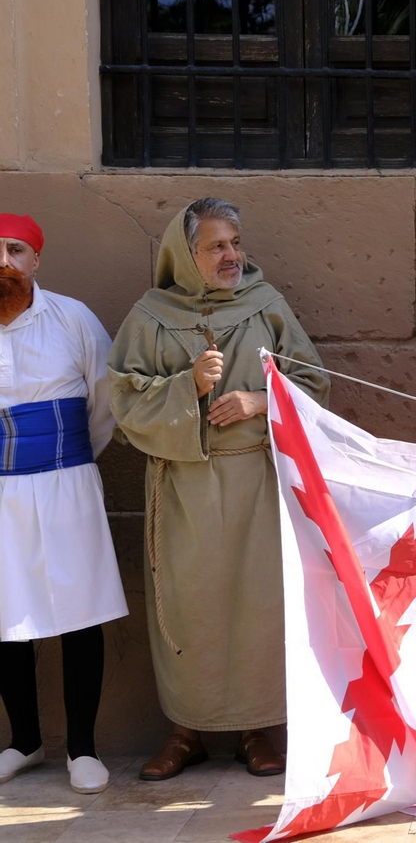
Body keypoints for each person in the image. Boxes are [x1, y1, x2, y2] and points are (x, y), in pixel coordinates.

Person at [108, 198, 328, 781]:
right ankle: (187, 731)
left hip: (256, 480)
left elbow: (314, 382)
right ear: (187, 254)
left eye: (234, 242)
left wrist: (259, 400)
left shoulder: (265, 305)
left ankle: (258, 729)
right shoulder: (151, 316)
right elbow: (125, 401)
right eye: (216, 246)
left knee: (258, 606)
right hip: (183, 487)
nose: (231, 255)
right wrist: (189, 388)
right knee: (188, 608)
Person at [0, 214, 126, 794]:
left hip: (66, 482)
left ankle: (83, 749)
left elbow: (106, 402)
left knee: (79, 612)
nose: (3, 261)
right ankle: (23, 741)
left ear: (35, 261)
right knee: (5, 617)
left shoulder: (72, 318)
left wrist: (67, 462)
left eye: (14, 250)